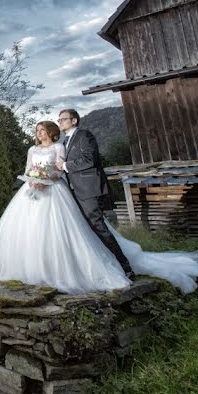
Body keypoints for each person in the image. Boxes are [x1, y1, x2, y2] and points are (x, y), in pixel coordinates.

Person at [0, 119, 198, 295]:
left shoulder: (59, 148)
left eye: (42, 130)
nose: (39, 134)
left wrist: (48, 178)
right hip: (32, 190)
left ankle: (63, 271)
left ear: (50, 132)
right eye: (37, 131)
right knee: (23, 229)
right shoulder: (32, 150)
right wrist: (32, 179)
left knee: (60, 232)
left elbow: (60, 170)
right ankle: (29, 271)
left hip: (53, 190)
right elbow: (29, 168)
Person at [55, 108, 134, 277]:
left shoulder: (84, 136)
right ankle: (100, 266)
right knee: (85, 228)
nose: (60, 122)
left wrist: (65, 166)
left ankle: (125, 267)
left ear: (74, 120)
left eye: (63, 119)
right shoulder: (64, 142)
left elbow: (89, 160)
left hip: (89, 188)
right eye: (59, 120)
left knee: (98, 226)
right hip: (74, 190)